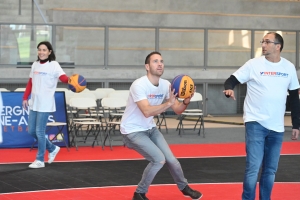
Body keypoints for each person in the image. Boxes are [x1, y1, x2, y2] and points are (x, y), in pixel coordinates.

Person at [223, 32, 300, 200]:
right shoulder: (253, 64)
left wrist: (296, 125)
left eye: (267, 42)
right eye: (262, 42)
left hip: (277, 128)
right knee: (253, 168)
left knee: (270, 170)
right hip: (255, 122)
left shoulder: (289, 67)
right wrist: (229, 88)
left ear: (278, 46)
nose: (263, 45)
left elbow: (294, 98)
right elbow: (232, 79)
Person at [120, 51, 202, 200]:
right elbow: (146, 111)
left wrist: (185, 102)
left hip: (150, 129)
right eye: (155, 61)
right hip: (132, 131)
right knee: (158, 159)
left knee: (172, 160)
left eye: (161, 61)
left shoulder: (166, 85)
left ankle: (184, 187)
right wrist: (168, 103)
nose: (159, 64)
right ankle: (139, 193)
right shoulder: (139, 85)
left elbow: (177, 110)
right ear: (147, 66)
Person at [22, 41, 69, 169]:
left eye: (44, 50)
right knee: (32, 131)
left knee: (39, 131)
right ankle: (52, 148)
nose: (41, 52)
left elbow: (63, 78)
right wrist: (25, 97)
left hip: (45, 103)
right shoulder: (35, 65)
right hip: (34, 102)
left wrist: (72, 81)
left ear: (49, 52)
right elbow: (30, 82)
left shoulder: (54, 65)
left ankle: (40, 159)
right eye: (39, 50)